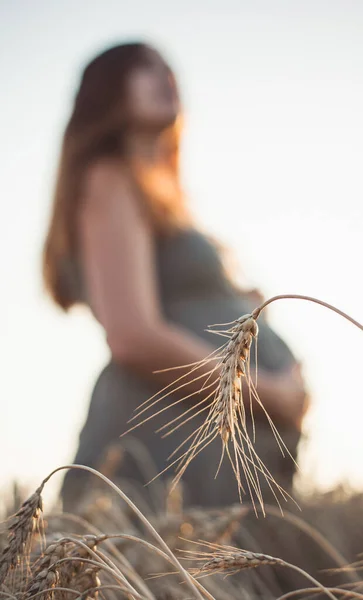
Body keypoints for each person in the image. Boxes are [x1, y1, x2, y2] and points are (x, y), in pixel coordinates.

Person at [42, 42, 308, 513]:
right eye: (143, 67)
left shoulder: (156, 192)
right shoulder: (110, 176)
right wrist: (271, 397)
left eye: (168, 67)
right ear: (106, 92)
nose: (166, 75)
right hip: (162, 446)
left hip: (200, 450)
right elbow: (132, 336)